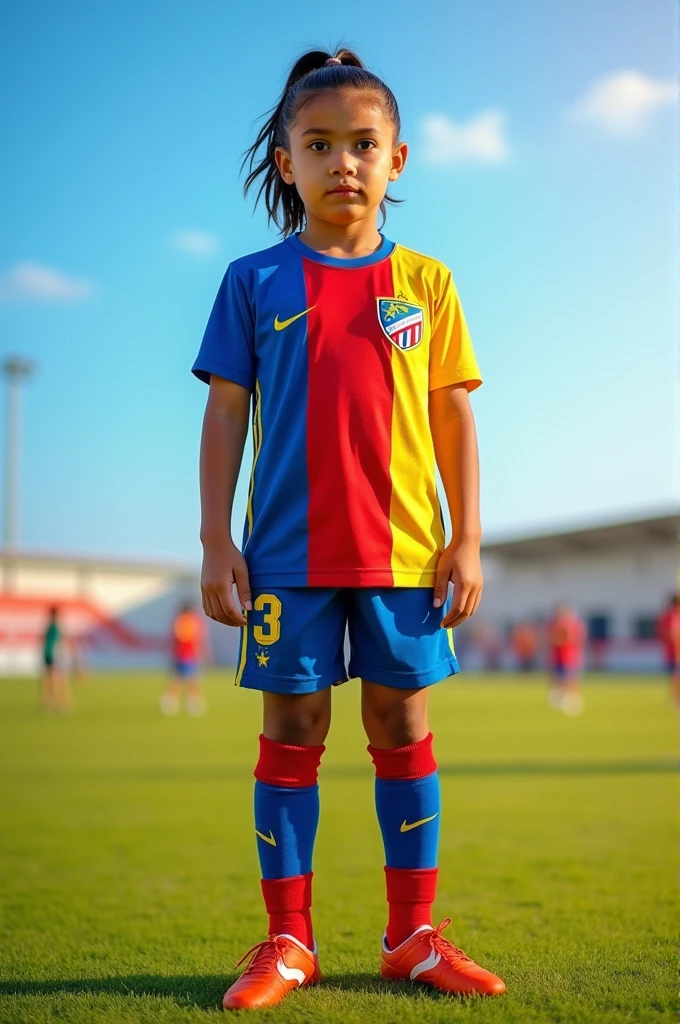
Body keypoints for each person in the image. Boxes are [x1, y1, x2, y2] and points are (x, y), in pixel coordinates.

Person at [192, 49, 505, 1009]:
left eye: (363, 145)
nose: (344, 163)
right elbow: (226, 415)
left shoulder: (429, 283)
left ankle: (411, 936)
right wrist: (215, 537)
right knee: (293, 727)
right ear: (286, 160)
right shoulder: (253, 281)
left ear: (398, 160)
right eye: (319, 144)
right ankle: (289, 942)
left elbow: (453, 414)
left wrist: (468, 535)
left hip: (407, 554)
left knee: (401, 721)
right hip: (287, 555)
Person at [159, 601, 208, 716]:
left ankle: (171, 702)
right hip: (186, 654)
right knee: (188, 680)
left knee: (181, 679)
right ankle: (188, 703)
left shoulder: (181, 620)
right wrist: (202, 653)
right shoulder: (189, 620)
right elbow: (193, 639)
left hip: (183, 654)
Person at [546, 604, 586, 715]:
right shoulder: (555, 624)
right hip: (558, 656)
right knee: (558, 679)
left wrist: (557, 639)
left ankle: (573, 700)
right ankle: (561, 698)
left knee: (570, 679)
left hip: (569, 656)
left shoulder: (571, 625)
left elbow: (570, 639)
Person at [40, 606, 73, 713]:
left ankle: (49, 702)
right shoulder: (57, 626)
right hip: (54, 654)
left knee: (49, 678)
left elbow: (43, 639)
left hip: (48, 653)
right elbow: (64, 639)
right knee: (57, 678)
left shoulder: (49, 626)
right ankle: (61, 702)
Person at [656, 593, 680, 707]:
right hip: (673, 652)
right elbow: (664, 633)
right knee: (675, 676)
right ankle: (675, 698)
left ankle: (674, 698)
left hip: (672, 652)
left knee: (675, 676)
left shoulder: (668, 616)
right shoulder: (669, 616)